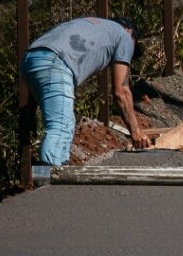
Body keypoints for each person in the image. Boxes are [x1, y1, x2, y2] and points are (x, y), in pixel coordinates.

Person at [20, 17, 151, 166]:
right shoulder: (124, 36)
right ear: (130, 31)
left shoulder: (94, 26)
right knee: (60, 127)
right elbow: (121, 91)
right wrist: (135, 131)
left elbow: (44, 57)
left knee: (64, 124)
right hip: (56, 62)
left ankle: (51, 172)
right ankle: (48, 177)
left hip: (30, 59)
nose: (129, 54)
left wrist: (30, 112)